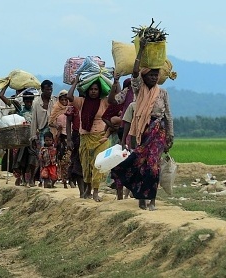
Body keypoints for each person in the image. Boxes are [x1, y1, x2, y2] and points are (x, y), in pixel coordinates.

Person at [111, 38, 174, 211]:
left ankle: (151, 199)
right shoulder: (139, 89)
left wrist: (170, 135)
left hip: (158, 131)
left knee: (153, 165)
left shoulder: (163, 93)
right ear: (144, 77)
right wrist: (142, 50)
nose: (153, 77)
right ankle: (140, 198)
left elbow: (168, 115)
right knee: (140, 164)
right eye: (150, 75)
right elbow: (135, 73)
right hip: (142, 130)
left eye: (156, 75)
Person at [67, 76, 111, 202]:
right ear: (87, 90)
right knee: (86, 165)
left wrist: (116, 81)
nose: (93, 91)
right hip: (85, 137)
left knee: (97, 164)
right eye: (91, 89)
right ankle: (88, 189)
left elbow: (115, 96)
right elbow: (70, 96)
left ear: (99, 90)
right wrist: (75, 82)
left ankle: (96, 191)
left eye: (96, 89)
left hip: (100, 138)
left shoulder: (104, 102)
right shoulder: (81, 102)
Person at [0, 86, 37, 186]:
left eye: (30, 100)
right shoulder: (19, 109)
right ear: (24, 101)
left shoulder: (35, 110)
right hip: (21, 139)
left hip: (32, 139)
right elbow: (1, 96)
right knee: (20, 160)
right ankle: (21, 178)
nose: (29, 102)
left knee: (32, 159)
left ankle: (31, 179)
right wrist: (6, 85)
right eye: (27, 101)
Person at [50, 90, 72, 188]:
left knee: (70, 160)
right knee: (61, 160)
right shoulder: (56, 108)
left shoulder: (71, 108)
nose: (64, 102)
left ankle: (70, 180)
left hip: (70, 137)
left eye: (66, 99)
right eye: (62, 100)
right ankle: (62, 181)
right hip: (60, 137)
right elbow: (50, 122)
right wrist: (56, 127)